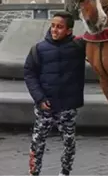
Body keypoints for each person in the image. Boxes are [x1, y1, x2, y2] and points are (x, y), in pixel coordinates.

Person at [24, 11, 86, 176]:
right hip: (46, 106)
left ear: (69, 30)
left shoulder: (79, 47)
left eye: (60, 27)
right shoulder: (38, 49)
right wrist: (39, 98)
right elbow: (29, 74)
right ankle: (34, 172)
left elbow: (98, 41)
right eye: (53, 26)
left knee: (69, 143)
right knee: (37, 143)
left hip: (67, 107)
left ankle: (65, 173)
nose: (54, 30)